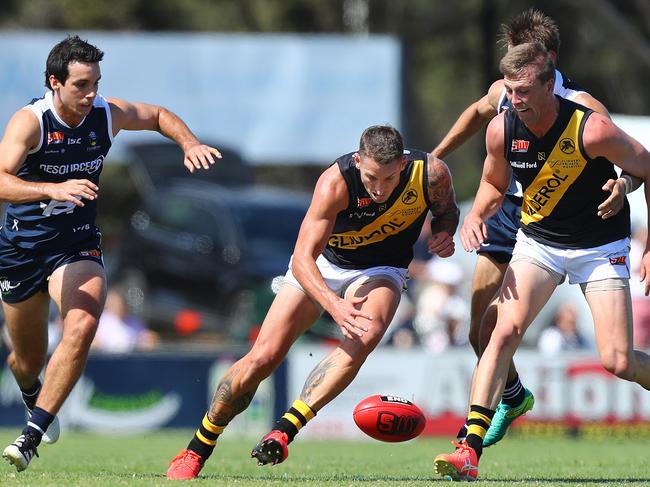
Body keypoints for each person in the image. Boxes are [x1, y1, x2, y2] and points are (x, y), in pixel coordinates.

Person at [166, 125, 460, 479]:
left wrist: (444, 231)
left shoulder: (430, 174)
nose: (379, 189)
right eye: (371, 178)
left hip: (382, 268)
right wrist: (334, 306)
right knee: (262, 358)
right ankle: (198, 447)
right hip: (323, 265)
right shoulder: (335, 182)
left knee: (366, 336)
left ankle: (285, 430)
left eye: (388, 178)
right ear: (357, 161)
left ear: (402, 163)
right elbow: (304, 258)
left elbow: (447, 211)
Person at [0, 35, 220, 472]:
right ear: (55, 82)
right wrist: (50, 187)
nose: (92, 94)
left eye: (96, 83)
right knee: (25, 360)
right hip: (22, 250)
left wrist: (188, 142)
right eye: (81, 85)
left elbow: (157, 115)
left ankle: (31, 434)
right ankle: (32, 393)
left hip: (75, 244)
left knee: (82, 324)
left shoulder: (105, 114)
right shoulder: (30, 122)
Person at [433, 41, 650, 481]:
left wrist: (626, 190)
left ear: (551, 85)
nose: (514, 100)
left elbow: (646, 167)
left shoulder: (592, 129)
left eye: (524, 90)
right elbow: (493, 184)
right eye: (510, 90)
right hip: (540, 243)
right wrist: (476, 214)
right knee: (499, 328)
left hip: (599, 249)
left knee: (618, 361)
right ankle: (468, 448)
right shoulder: (502, 128)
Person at [91, 287, 159, 353]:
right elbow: (94, 343)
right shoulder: (101, 321)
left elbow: (145, 338)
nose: (118, 306)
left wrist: (149, 339)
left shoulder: (134, 321)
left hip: (129, 361)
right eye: (115, 303)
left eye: (120, 303)